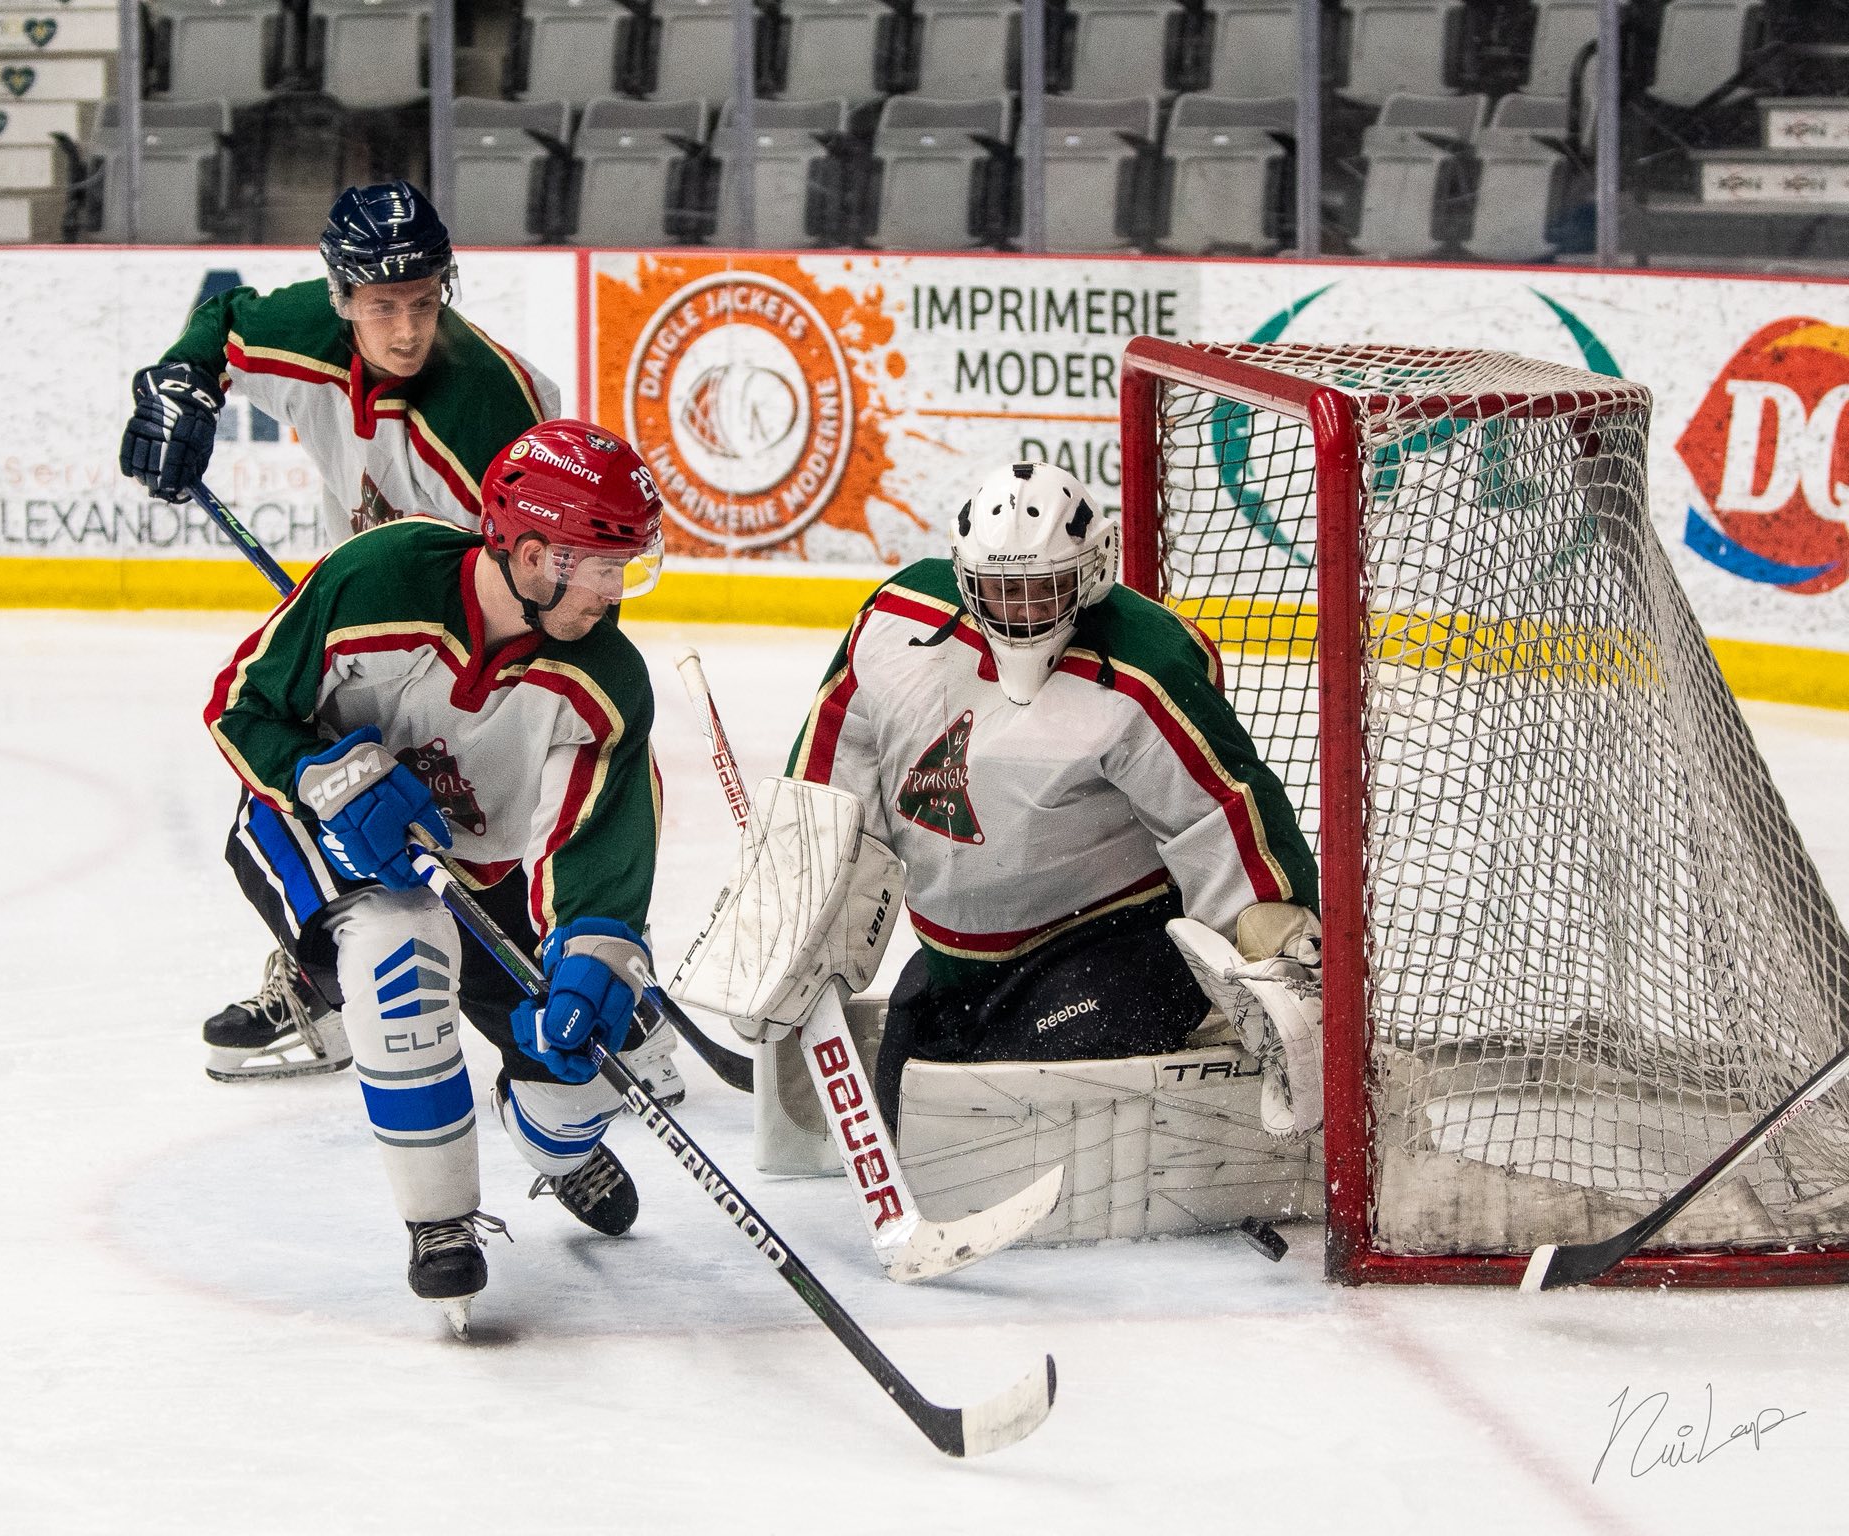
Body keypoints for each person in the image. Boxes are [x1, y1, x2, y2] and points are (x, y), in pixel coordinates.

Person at [119, 180, 680, 1100]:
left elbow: (567, 603)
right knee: (307, 779)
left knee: (488, 807)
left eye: (424, 302)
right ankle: (328, 983)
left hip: (482, 630)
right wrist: (181, 388)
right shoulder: (307, 329)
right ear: (342, 297)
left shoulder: (487, 412)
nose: (409, 329)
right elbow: (219, 328)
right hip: (375, 606)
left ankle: (596, 983)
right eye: (383, 307)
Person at [202, 418, 667, 1328]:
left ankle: (558, 1147)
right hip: (311, 827)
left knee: (591, 1052)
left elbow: (595, 851)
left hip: (476, 872)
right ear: (532, 556)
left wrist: (594, 951)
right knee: (398, 945)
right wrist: (318, 773)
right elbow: (240, 706)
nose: (615, 593)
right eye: (602, 567)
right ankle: (439, 1219)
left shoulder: (608, 679)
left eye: (625, 567)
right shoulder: (378, 577)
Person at [775, 460, 1325, 1167]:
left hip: (1113, 948)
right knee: (906, 1108)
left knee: (999, 1104)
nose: (1021, 610)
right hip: (961, 966)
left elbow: (1223, 812)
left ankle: (1209, 1042)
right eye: (1000, 589)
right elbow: (835, 772)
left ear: (1091, 574)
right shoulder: (897, 621)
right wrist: (794, 903)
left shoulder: (1145, 667)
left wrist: (1279, 957)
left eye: (1045, 588)